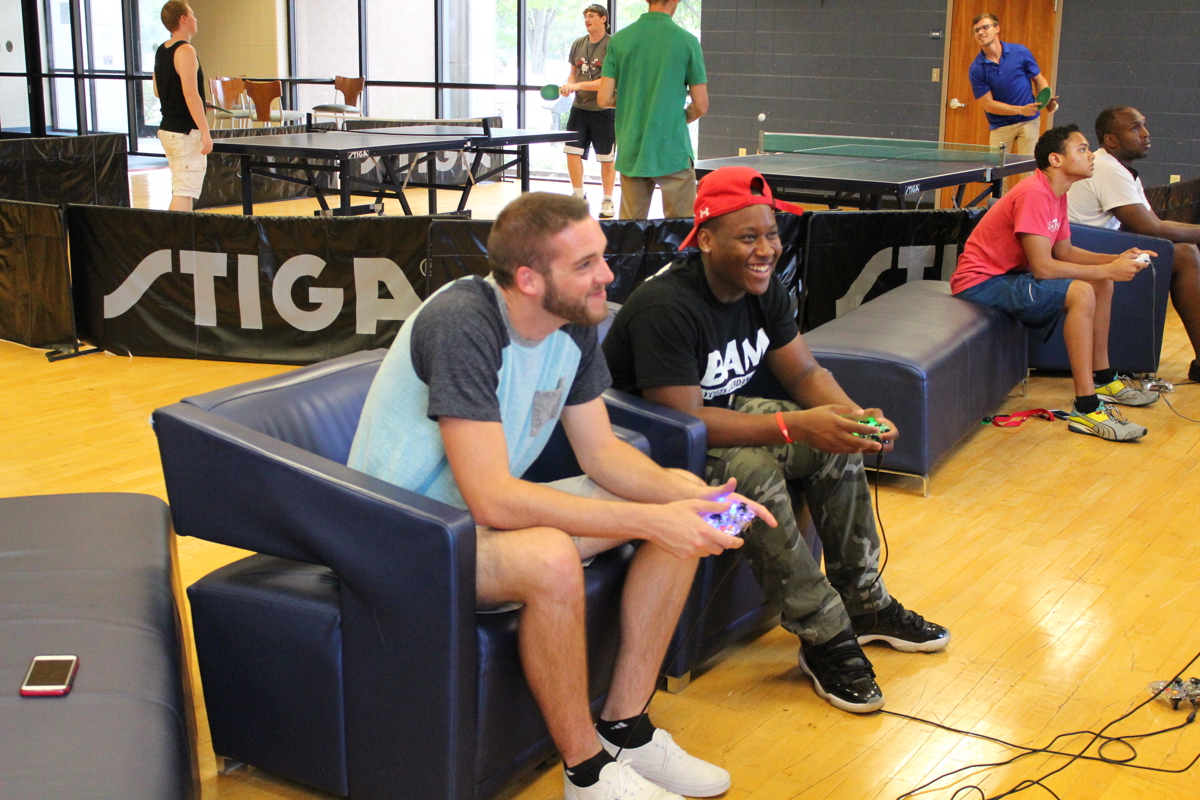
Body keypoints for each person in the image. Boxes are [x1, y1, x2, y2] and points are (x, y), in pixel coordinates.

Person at [348, 192, 774, 800]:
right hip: (403, 535)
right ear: (528, 279)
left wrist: (695, 498)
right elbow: (493, 499)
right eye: (586, 265)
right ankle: (587, 773)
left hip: (474, 522)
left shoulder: (575, 322)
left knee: (679, 503)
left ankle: (625, 726)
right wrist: (652, 519)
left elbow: (601, 453)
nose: (607, 275)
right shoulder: (465, 324)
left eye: (601, 258)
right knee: (556, 554)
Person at [602, 166, 950, 715]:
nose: (767, 248)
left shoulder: (763, 287)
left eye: (772, 233)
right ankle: (824, 635)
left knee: (834, 440)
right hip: (658, 444)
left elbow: (805, 373)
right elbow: (686, 422)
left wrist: (854, 417)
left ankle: (863, 601)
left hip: (720, 416)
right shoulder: (666, 305)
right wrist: (795, 426)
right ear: (707, 238)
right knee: (755, 474)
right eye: (749, 237)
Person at [952, 125, 1159, 442]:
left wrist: (1115, 259)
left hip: (1008, 274)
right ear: (1056, 159)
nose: (1090, 155)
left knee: (1103, 283)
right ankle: (1087, 410)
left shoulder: (1056, 193)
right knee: (1082, 291)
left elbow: (1066, 251)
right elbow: (1044, 268)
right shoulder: (1034, 193)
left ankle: (1103, 379)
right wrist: (1109, 269)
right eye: (1081, 149)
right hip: (982, 282)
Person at [1067, 106, 1200, 383]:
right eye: (1135, 128)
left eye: (1144, 126)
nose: (1146, 134)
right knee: (1186, 255)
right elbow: (1150, 228)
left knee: (1186, 249)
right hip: (1081, 252)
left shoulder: (1120, 169)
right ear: (1111, 140)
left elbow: (1151, 224)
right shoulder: (1106, 168)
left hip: (1101, 245)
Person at [597, 0, 708, 221]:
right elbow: (701, 105)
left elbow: (603, 99)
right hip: (672, 149)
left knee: (630, 234)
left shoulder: (619, 40)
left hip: (632, 148)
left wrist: (635, 103)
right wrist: (676, 118)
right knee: (680, 233)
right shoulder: (687, 41)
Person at [968, 12, 1058, 193]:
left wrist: (1045, 98)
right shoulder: (977, 68)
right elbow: (988, 104)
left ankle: (1031, 212)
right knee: (997, 176)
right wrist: (1020, 110)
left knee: (1030, 171)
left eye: (985, 27)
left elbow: (1039, 80)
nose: (981, 32)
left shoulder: (1020, 52)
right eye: (977, 30)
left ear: (997, 28)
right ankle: (999, 215)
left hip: (1029, 122)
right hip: (1000, 126)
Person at [153, 1, 212, 212]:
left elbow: (159, 90)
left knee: (182, 189)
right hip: (184, 133)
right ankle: (175, 241)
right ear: (183, 19)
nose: (196, 19)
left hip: (169, 130)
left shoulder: (162, 50)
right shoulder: (186, 50)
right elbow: (190, 93)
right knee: (184, 193)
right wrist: (205, 132)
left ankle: (178, 241)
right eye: (192, 14)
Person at [561, 4, 617, 219]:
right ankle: (577, 196)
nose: (587, 19)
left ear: (604, 19)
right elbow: (572, 74)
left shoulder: (613, 45)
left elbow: (609, 80)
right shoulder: (577, 44)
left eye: (592, 16)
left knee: (606, 157)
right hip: (579, 108)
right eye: (585, 16)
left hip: (604, 108)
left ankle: (608, 199)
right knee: (572, 152)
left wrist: (578, 86)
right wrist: (569, 85)